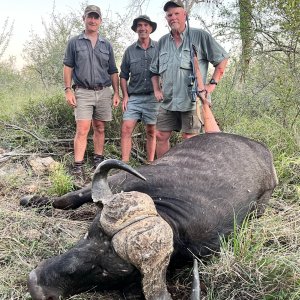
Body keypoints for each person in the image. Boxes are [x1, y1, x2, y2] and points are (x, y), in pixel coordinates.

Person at [150, 0, 229, 158]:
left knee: (190, 139)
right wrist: (157, 90)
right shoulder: (163, 42)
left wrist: (211, 85)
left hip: (192, 100)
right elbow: (154, 70)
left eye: (176, 13)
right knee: (160, 136)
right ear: (166, 18)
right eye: (169, 15)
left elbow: (222, 59)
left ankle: (188, 176)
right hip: (168, 100)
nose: (173, 17)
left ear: (185, 15)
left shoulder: (200, 36)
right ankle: (164, 172)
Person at [63, 5, 120, 177]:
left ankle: (98, 159)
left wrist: (116, 93)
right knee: (82, 128)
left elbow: (113, 71)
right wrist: (67, 90)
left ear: (100, 21)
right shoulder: (74, 42)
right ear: (84, 19)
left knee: (100, 127)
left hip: (104, 91)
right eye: (90, 17)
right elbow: (68, 67)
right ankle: (78, 165)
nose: (93, 20)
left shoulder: (106, 44)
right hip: (83, 91)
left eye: (96, 17)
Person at [119, 15, 159, 163]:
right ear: (136, 29)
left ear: (150, 28)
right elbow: (123, 75)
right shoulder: (129, 51)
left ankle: (150, 164)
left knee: (152, 131)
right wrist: (125, 96)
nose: (143, 28)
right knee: (126, 129)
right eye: (140, 25)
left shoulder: (159, 48)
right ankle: (125, 164)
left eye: (146, 25)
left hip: (153, 97)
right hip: (134, 97)